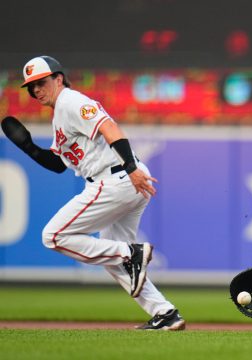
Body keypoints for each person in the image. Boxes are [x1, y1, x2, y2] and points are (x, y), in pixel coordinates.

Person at [1, 55, 185, 331]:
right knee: (113, 259)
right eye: (31, 87)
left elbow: (110, 128)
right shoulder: (60, 115)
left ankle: (130, 253)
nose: (36, 90)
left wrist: (131, 167)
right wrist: (29, 147)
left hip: (117, 179)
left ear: (58, 78)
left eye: (41, 82)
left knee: (53, 236)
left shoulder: (71, 102)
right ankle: (165, 313)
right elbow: (58, 165)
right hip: (123, 180)